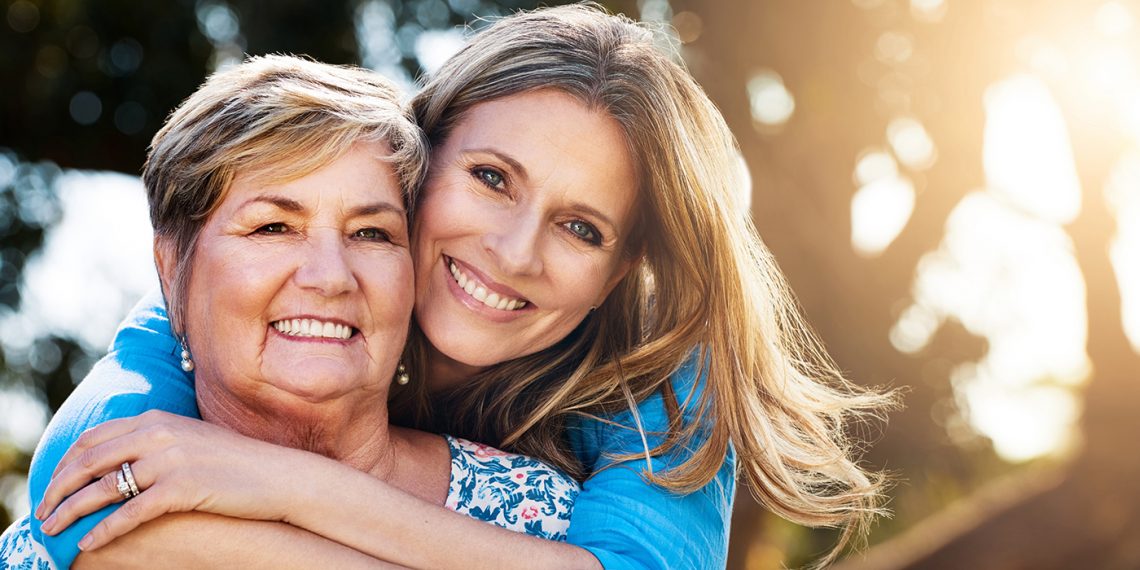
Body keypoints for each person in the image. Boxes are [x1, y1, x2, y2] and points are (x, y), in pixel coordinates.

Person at [23, 4, 894, 568]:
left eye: (581, 228)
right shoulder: (257, 284)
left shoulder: (661, 378)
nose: (515, 252)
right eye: (491, 178)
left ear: (620, 270)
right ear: (418, 158)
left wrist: (280, 484)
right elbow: (83, 483)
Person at [0, 54, 580, 568]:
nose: (330, 276)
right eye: (274, 226)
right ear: (172, 267)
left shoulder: (544, 519)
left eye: (372, 233)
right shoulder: (67, 539)